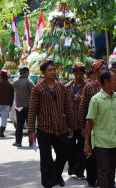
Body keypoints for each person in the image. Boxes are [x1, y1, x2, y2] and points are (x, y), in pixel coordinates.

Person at [84, 70, 116, 188]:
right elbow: (90, 121)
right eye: (115, 79)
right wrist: (86, 143)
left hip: (114, 140)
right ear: (106, 82)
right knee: (103, 171)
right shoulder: (96, 99)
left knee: (111, 171)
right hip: (100, 141)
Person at [28, 60, 74, 188]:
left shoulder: (61, 87)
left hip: (61, 127)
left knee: (65, 152)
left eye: (54, 69)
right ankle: (48, 183)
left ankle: (57, 174)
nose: (53, 72)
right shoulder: (37, 89)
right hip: (44, 128)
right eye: (50, 70)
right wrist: (31, 130)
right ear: (43, 73)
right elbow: (32, 110)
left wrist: (70, 125)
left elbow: (68, 107)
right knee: (46, 158)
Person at [78, 59, 108, 187]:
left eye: (106, 68)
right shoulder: (89, 87)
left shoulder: (109, 85)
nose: (105, 71)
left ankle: (105, 180)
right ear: (96, 73)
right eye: (102, 69)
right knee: (92, 155)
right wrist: (82, 127)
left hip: (106, 126)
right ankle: (91, 180)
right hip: (92, 126)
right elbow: (83, 107)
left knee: (105, 156)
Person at [65, 62, 87, 179]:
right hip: (70, 123)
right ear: (73, 73)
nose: (79, 76)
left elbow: (93, 102)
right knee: (70, 147)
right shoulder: (67, 87)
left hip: (83, 123)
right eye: (76, 73)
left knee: (82, 147)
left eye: (81, 73)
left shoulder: (88, 87)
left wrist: (82, 99)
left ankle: (79, 170)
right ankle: (72, 167)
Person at [13, 67, 34, 146]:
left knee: (19, 125)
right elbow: (33, 92)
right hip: (28, 106)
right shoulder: (29, 82)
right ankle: (31, 142)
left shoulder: (15, 82)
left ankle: (18, 142)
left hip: (19, 106)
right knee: (30, 125)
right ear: (26, 73)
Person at [0, 70, 14, 138]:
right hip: (6, 104)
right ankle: (1, 132)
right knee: (4, 118)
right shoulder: (10, 85)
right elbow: (12, 96)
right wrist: (11, 105)